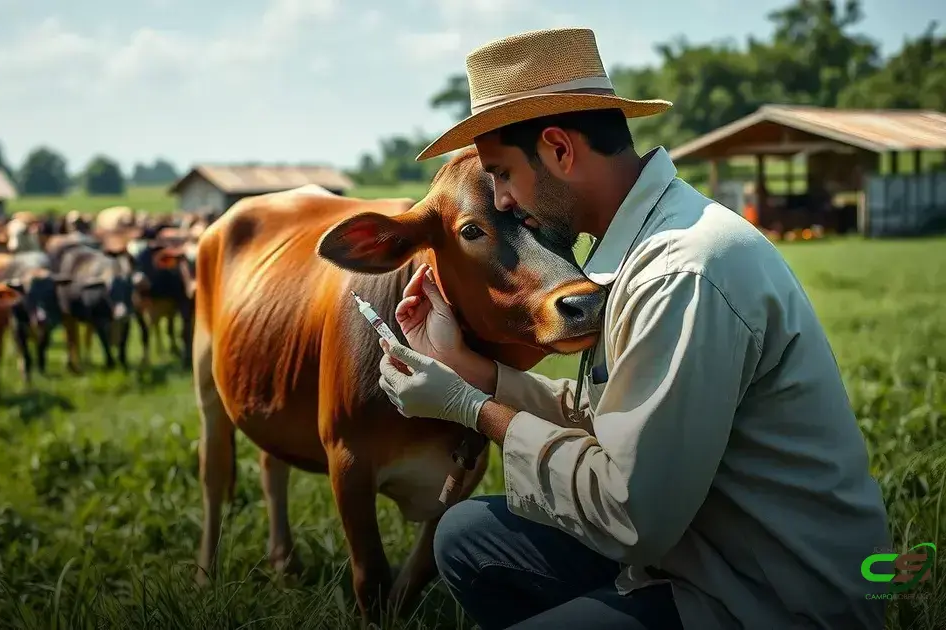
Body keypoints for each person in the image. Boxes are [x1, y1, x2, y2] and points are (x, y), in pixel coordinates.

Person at [375, 27, 892, 630]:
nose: (503, 200)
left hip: (769, 596)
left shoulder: (682, 273)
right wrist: (475, 372)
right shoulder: (646, 242)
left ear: (560, 151)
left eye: (501, 173)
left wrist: (470, 408)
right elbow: (617, 416)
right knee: (466, 534)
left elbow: (631, 514)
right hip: (704, 546)